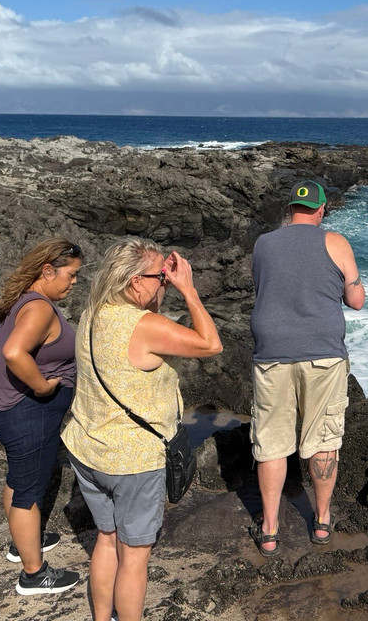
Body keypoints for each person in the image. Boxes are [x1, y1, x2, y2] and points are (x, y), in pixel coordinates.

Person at [62, 239, 222, 621]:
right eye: (160, 277)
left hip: (87, 448)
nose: (164, 283)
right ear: (135, 282)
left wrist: (160, 288)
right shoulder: (145, 327)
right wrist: (189, 289)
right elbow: (211, 344)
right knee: (134, 557)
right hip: (132, 460)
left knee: (106, 538)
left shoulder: (93, 312)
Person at [248, 180, 365, 557]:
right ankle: (322, 519)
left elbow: (264, 287)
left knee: (271, 441)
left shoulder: (264, 243)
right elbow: (356, 300)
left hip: (272, 352)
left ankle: (269, 528)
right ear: (322, 209)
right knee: (323, 438)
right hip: (322, 353)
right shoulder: (336, 242)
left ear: (290, 209)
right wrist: (353, 280)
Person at [0, 237, 84, 595]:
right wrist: (39, 385)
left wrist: (25, 360)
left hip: (7, 409)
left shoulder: (18, 300)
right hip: (27, 412)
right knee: (28, 490)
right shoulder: (39, 309)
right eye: (70, 275)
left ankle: (21, 543)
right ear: (47, 270)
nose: (74, 283)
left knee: (19, 476)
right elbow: (13, 350)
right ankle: (33, 574)